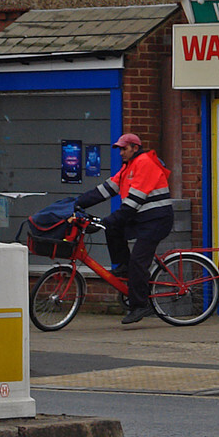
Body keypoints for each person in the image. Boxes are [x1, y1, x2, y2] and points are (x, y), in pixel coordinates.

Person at [73, 132, 172, 325]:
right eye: (119, 149)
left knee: (138, 261)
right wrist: (77, 203)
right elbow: (106, 189)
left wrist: (109, 220)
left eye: (124, 149)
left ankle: (140, 305)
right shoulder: (129, 167)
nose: (121, 153)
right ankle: (125, 267)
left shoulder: (144, 163)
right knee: (113, 229)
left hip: (156, 220)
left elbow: (134, 201)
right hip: (142, 218)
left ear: (136, 148)